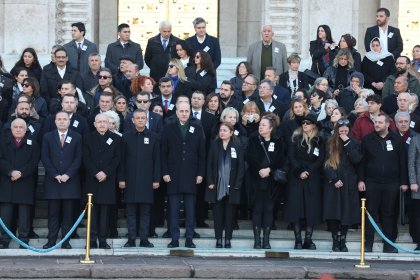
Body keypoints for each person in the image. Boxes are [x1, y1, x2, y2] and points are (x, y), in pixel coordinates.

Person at [358, 113, 408, 253]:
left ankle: (389, 244)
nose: (377, 124)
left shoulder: (397, 139)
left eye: (380, 122)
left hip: (391, 183)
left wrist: (404, 182)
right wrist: (361, 179)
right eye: (376, 122)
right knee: (370, 213)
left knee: (389, 214)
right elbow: (362, 162)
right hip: (372, 182)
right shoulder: (368, 140)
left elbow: (402, 162)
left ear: (387, 124)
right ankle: (368, 243)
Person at [161, 103, 206, 248]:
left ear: (190, 112)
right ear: (177, 112)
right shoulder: (168, 128)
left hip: (191, 175)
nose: (184, 113)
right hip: (173, 174)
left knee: (190, 209)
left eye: (187, 111)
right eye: (182, 111)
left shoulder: (197, 128)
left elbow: (201, 154)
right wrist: (165, 172)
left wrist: (200, 173)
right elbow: (163, 153)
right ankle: (174, 238)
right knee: (173, 209)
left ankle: (189, 238)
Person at [119, 109, 160, 247]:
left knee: (145, 212)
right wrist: (121, 179)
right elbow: (122, 160)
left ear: (146, 120)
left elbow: (157, 160)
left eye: (143, 118)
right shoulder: (126, 137)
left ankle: (144, 239)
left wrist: (156, 179)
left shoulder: (154, 137)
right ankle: (131, 239)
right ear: (133, 120)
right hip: (130, 181)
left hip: (147, 181)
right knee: (130, 212)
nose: (141, 120)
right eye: (138, 118)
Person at [41, 111, 82, 249]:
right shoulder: (47, 137)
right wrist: (55, 174)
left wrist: (68, 174)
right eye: (59, 119)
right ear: (55, 121)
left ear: (69, 121)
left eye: (65, 119)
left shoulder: (77, 137)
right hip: (53, 182)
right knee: (53, 214)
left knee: (68, 215)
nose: (62, 121)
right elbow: (45, 158)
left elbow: (78, 158)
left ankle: (66, 241)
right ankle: (51, 241)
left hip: (70, 182)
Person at [284, 113, 325, 250]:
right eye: (303, 123)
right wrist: (300, 171)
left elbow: (320, 159)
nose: (305, 125)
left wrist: (309, 171)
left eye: (308, 123)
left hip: (312, 177)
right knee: (296, 208)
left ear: (313, 125)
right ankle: (298, 240)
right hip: (296, 176)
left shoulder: (319, 140)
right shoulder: (295, 138)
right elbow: (291, 157)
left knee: (311, 208)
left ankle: (308, 238)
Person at [0, 118, 40, 249]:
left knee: (24, 215)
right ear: (11, 129)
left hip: (25, 183)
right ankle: (4, 239)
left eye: (21, 127)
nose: (18, 129)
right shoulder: (3, 142)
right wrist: (10, 171)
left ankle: (24, 239)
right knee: (6, 214)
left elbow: (34, 162)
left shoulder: (33, 143)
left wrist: (21, 173)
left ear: (26, 129)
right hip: (7, 182)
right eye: (15, 127)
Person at [323, 118, 362, 251]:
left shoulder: (355, 143)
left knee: (346, 213)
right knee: (334, 212)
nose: (344, 130)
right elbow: (325, 163)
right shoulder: (329, 142)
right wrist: (333, 179)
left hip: (349, 183)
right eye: (341, 128)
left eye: (346, 128)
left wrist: (347, 142)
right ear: (337, 129)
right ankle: (335, 240)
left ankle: (342, 240)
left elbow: (357, 160)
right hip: (333, 182)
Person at [83, 113, 121, 249]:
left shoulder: (116, 139)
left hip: (107, 180)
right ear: (94, 124)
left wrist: (106, 172)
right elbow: (85, 158)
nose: (102, 124)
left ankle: (103, 240)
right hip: (92, 180)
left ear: (109, 124)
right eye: (99, 122)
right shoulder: (87, 138)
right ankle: (92, 240)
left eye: (105, 122)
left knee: (105, 213)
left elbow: (117, 158)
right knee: (92, 213)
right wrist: (95, 172)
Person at [247, 113, 284, 249]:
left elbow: (280, 159)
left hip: (271, 181)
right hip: (256, 180)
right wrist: (259, 170)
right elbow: (250, 158)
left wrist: (269, 169)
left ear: (270, 128)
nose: (260, 127)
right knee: (257, 209)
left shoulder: (278, 141)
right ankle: (257, 240)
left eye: (263, 125)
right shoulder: (253, 139)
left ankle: (266, 240)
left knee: (269, 209)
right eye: (260, 125)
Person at [205, 122, 245, 248]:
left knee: (230, 215)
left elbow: (241, 167)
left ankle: (227, 239)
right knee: (217, 214)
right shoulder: (214, 145)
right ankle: (218, 239)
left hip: (232, 186)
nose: (222, 132)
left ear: (231, 133)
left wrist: (237, 184)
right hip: (217, 186)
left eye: (225, 130)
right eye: (221, 130)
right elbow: (209, 165)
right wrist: (210, 181)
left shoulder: (237, 146)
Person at [408, 133, 420, 251]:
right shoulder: (415, 140)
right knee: (418, 216)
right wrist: (413, 181)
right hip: (418, 184)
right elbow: (411, 163)